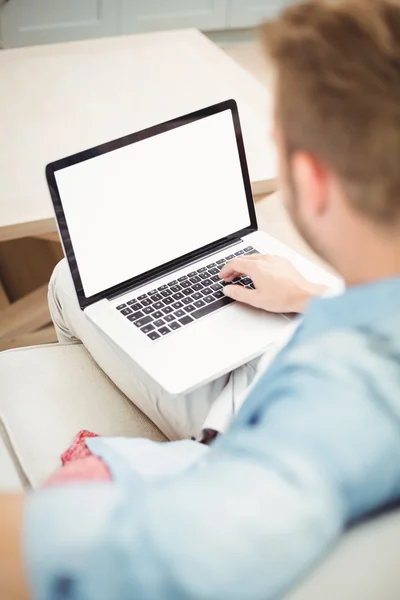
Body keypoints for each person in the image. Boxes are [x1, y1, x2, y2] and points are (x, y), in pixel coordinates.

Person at [1, 0, 400, 598]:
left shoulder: (332, 418)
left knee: (69, 281)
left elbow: (153, 555)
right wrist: (311, 297)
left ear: (313, 181)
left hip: (232, 421)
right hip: (294, 324)